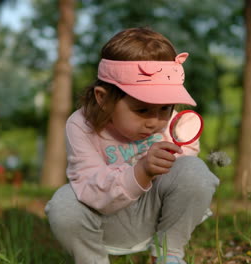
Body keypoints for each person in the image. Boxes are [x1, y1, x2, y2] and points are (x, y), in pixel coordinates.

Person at [45, 27, 220, 264]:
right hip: (104, 221)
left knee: (195, 170)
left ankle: (169, 253)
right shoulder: (81, 125)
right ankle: (93, 260)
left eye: (165, 108)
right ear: (103, 98)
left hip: (155, 216)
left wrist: (172, 159)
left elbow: (185, 179)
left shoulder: (172, 124)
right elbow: (88, 187)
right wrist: (141, 171)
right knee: (63, 204)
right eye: (142, 110)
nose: (155, 121)